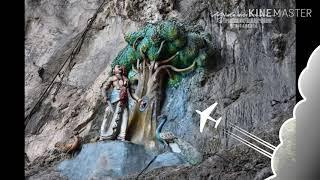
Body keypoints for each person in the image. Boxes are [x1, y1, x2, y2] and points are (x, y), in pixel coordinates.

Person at [100, 65, 139, 141]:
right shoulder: (112, 78)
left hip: (124, 100)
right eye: (118, 67)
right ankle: (102, 134)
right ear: (114, 70)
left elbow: (131, 92)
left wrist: (138, 99)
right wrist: (105, 96)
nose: (120, 67)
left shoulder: (126, 80)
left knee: (125, 116)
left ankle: (122, 135)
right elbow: (104, 88)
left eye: (120, 67)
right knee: (108, 114)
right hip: (114, 100)